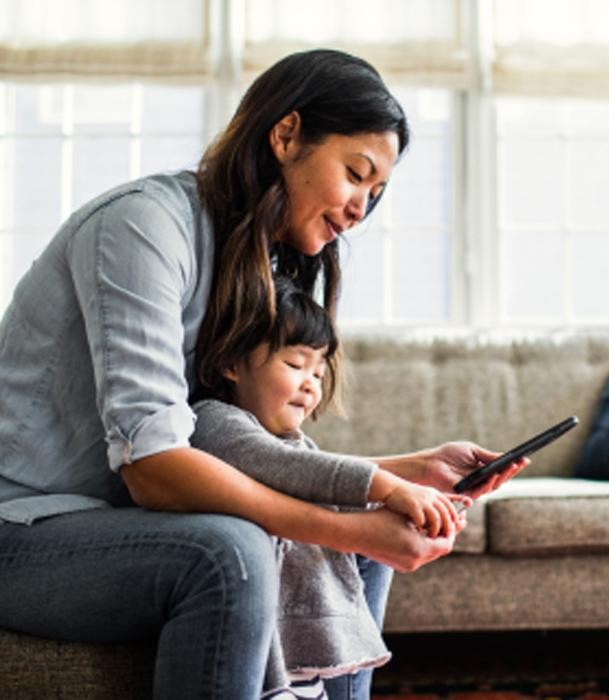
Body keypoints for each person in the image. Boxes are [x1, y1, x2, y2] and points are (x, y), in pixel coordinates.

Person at [0, 48, 524, 699]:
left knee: (352, 519)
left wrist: (405, 472)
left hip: (120, 520)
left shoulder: (257, 267)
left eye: (376, 193)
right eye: (356, 174)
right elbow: (154, 465)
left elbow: (241, 448)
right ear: (286, 135)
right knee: (231, 554)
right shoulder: (142, 228)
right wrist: (352, 522)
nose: (362, 207)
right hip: (24, 528)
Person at [191, 273, 469, 697]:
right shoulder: (214, 421)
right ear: (231, 364)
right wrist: (390, 487)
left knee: (371, 524)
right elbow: (290, 468)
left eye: (318, 373)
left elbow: (308, 469)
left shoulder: (293, 441)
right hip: (273, 665)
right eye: (294, 364)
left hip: (304, 664)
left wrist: (423, 500)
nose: (310, 384)